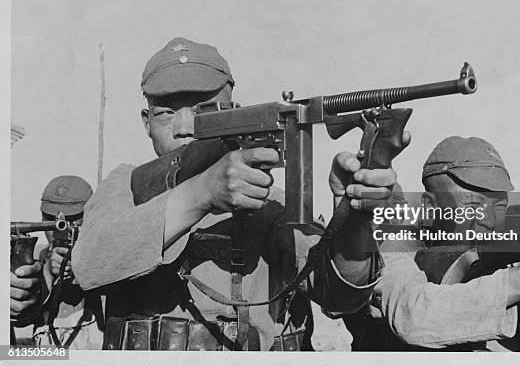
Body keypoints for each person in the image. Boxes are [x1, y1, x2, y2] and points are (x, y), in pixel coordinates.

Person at [72, 37, 403, 351]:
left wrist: (355, 215)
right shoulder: (125, 185)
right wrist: (203, 193)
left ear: (234, 111)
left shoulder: (268, 203)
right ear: (146, 122)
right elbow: (89, 266)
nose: (185, 128)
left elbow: (341, 296)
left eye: (205, 109)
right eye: (167, 112)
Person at [345, 136, 520, 350]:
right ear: (430, 207)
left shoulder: (500, 252)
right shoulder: (396, 244)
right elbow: (411, 314)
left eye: (499, 206)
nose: (488, 220)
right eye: (472, 206)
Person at [31, 175, 104, 349]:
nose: (60, 226)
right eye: (50, 217)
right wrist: (47, 273)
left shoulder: (103, 255)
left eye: (72, 218)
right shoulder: (35, 257)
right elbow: (22, 317)